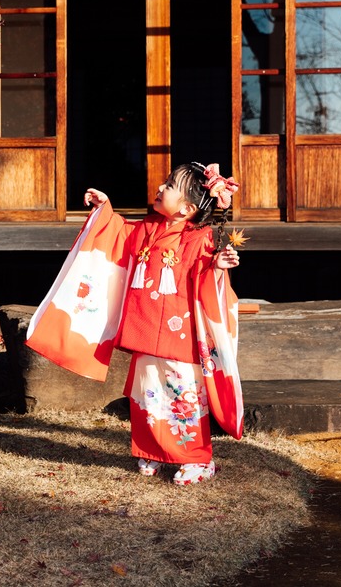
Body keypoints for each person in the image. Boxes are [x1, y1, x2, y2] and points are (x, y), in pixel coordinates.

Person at [62, 162, 242, 485]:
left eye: (170, 185)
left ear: (186, 208)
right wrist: (105, 210)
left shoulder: (198, 238)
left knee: (181, 393)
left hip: (179, 333)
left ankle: (197, 459)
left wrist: (217, 266)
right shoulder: (148, 228)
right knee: (148, 391)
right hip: (146, 328)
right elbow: (120, 232)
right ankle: (152, 452)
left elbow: (204, 276)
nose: (161, 187)